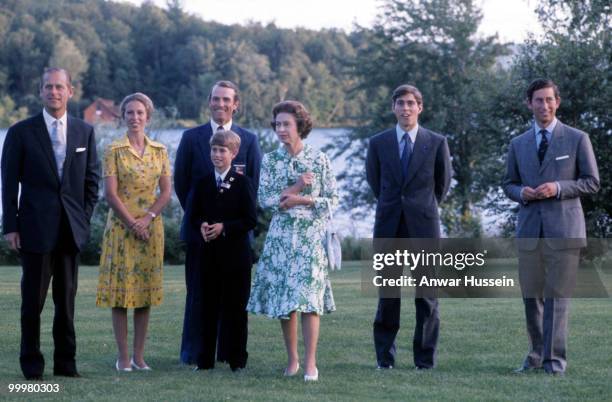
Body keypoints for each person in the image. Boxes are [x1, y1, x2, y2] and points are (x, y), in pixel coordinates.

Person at [1, 67, 100, 380]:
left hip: (71, 230)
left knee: (66, 302)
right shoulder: (20, 132)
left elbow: (91, 181)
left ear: (70, 91)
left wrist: (83, 218)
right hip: (34, 229)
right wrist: (11, 226)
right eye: (48, 87)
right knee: (33, 303)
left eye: (60, 87)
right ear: (40, 91)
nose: (54, 92)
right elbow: (8, 183)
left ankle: (66, 365)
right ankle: (31, 366)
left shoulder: (85, 131)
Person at [503, 78, 599, 375]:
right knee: (532, 298)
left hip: (565, 232)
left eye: (549, 99)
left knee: (557, 298)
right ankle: (534, 356)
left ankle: (553, 362)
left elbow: (591, 182)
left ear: (557, 102)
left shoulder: (576, 138)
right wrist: (522, 193)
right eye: (538, 100)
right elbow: (508, 183)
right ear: (528, 104)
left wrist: (557, 187)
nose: (544, 105)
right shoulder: (517, 143)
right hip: (530, 231)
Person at [247, 100, 338, 382]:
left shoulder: (319, 158)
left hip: (310, 237)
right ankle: (293, 361)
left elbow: (333, 200)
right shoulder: (271, 160)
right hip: (281, 238)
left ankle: (311, 364)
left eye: (287, 124)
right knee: (286, 303)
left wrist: (302, 198)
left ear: (300, 125)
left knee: (310, 301)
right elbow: (267, 200)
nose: (281, 129)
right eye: (278, 125)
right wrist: (297, 187)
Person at [174, 80, 262, 365]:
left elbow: (253, 186)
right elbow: (182, 183)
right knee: (199, 296)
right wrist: (200, 221)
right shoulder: (191, 138)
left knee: (234, 299)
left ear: (236, 104)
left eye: (227, 100)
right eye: (216, 99)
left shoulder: (248, 140)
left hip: (235, 239)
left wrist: (227, 226)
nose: (221, 104)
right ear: (208, 101)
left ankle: (229, 354)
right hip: (201, 235)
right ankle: (194, 353)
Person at [366, 84, 451, 370]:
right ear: (393, 108)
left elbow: (442, 186)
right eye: (400, 103)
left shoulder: (436, 142)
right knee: (388, 297)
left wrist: (420, 208)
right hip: (389, 227)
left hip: (424, 229)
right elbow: (376, 183)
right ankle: (385, 359)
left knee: (426, 298)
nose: (405, 108)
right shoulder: (378, 143)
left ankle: (424, 361)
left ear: (420, 107)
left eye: (411, 103)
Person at [96, 93, 172, 372]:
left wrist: (148, 219)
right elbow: (111, 194)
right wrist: (132, 223)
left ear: (148, 116)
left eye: (140, 113)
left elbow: (166, 192)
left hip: (151, 229)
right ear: (123, 116)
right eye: (129, 112)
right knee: (120, 295)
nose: (135, 117)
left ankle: (139, 357)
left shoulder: (160, 151)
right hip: (121, 229)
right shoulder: (113, 150)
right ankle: (123, 357)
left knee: (144, 295)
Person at [190, 130, 256, 372]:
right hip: (208, 255)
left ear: (234, 153)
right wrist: (202, 225)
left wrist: (224, 227)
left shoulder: (243, 183)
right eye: (214, 150)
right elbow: (193, 214)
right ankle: (204, 360)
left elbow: (250, 220)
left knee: (236, 308)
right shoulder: (203, 182)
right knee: (206, 307)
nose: (217, 155)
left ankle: (236, 359)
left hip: (236, 257)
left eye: (222, 151)